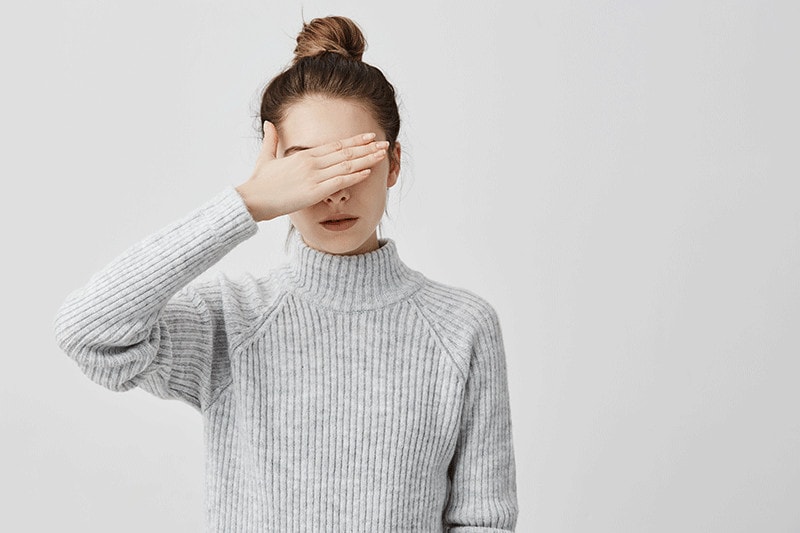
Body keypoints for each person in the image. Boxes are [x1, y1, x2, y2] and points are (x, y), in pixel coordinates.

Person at [54, 15, 518, 532]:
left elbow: (483, 520)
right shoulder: (234, 318)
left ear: (393, 163)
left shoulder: (462, 327)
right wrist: (247, 203)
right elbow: (88, 334)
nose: (335, 191)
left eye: (354, 162)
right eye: (309, 167)